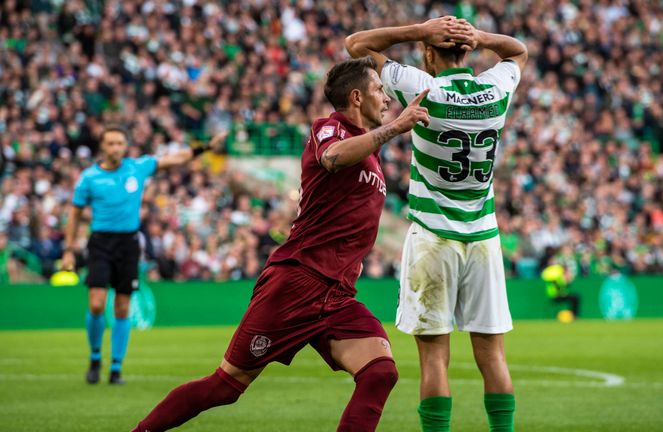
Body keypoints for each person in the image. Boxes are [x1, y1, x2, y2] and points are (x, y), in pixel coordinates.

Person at [131, 56, 430, 432]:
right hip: (298, 282)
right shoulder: (330, 129)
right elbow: (333, 158)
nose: (387, 99)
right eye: (379, 90)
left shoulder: (369, 151)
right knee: (225, 386)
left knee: (380, 372)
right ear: (356, 97)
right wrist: (396, 128)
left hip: (336, 293)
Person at [346, 16, 527, 431]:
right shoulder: (496, 88)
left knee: (433, 359)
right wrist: (481, 37)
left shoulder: (420, 86)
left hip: (432, 236)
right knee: (493, 357)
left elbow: (355, 45)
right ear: (468, 51)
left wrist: (418, 29)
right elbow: (517, 51)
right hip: (483, 238)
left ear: (429, 52)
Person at [61, 127, 226, 385]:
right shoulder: (89, 177)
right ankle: (95, 358)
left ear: (125, 145)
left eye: (120, 143)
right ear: (103, 147)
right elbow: (74, 214)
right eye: (111, 143)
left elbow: (175, 158)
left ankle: (116, 368)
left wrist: (204, 147)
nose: (116, 148)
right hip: (100, 243)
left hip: (128, 243)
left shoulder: (137, 167)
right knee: (96, 303)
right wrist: (69, 250)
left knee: (123, 306)